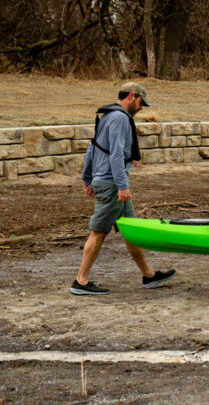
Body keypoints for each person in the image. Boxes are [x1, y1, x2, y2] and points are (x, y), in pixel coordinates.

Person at [70, 82, 175, 295]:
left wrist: (88, 179)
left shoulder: (107, 116)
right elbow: (116, 154)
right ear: (130, 96)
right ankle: (80, 281)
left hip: (106, 182)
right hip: (111, 186)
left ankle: (148, 275)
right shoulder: (119, 118)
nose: (142, 108)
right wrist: (122, 186)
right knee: (99, 231)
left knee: (130, 230)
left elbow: (92, 149)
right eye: (140, 102)